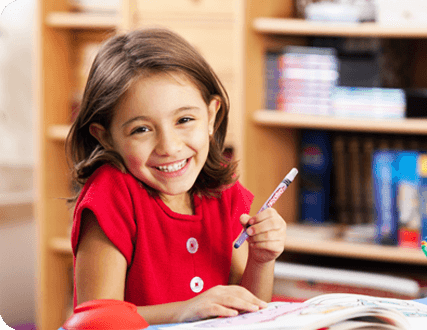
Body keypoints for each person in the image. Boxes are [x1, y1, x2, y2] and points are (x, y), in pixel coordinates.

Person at [66, 27, 287, 325]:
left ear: (211, 116)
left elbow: (247, 311)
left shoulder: (224, 192)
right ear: (105, 138)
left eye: (184, 120)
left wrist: (262, 261)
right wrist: (184, 310)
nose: (169, 147)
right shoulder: (111, 195)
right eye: (141, 129)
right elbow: (96, 320)